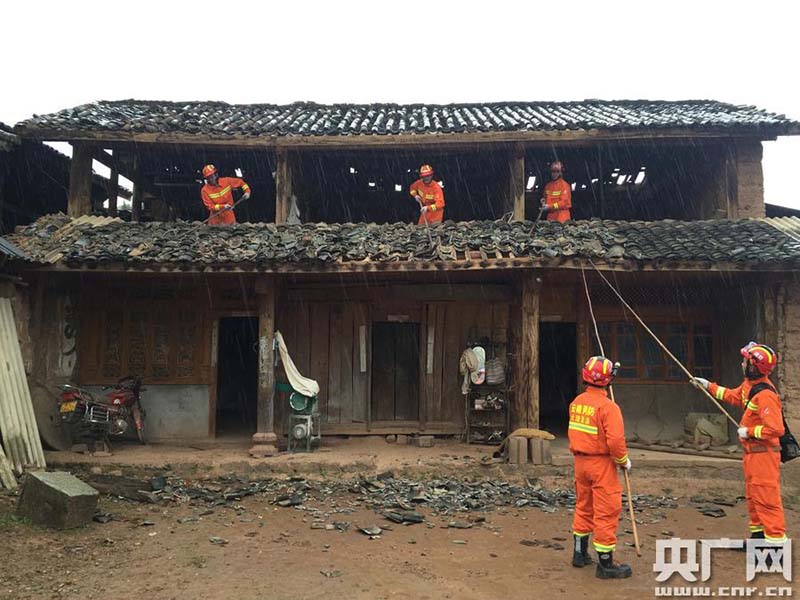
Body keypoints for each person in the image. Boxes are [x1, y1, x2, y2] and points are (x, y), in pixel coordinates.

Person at [692, 343, 787, 546]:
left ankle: (775, 548)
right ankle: (758, 540)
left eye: (745, 361)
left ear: (754, 366)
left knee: (767, 501)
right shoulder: (749, 386)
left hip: (764, 455)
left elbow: (776, 429)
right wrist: (708, 386)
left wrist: (750, 431)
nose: (742, 363)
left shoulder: (766, 395)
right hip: (752, 454)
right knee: (754, 499)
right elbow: (732, 396)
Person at [569, 356, 633, 579]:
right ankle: (605, 564)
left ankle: (579, 553)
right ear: (608, 380)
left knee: (583, 506)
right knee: (606, 512)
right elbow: (615, 441)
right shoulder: (609, 407)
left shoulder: (576, 403)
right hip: (601, 464)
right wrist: (623, 461)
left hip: (580, 463)